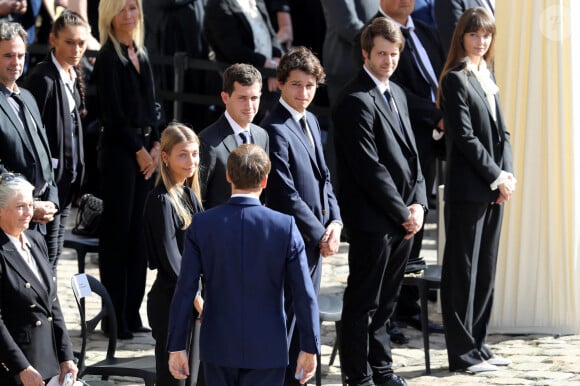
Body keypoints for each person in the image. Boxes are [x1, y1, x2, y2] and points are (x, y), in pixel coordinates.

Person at [167, 144, 320, 386]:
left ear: (228, 176)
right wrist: (309, 347)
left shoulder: (202, 224)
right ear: (266, 181)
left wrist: (177, 346)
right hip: (268, 346)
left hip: (218, 345)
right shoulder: (286, 227)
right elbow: (304, 293)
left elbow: (185, 289)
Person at [332, 17, 427, 386]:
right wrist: (402, 212)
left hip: (404, 221)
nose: (388, 61)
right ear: (366, 53)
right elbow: (369, 168)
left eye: (394, 53)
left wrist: (418, 204)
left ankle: (382, 371)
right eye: (382, 54)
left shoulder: (398, 93)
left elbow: (413, 157)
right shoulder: (355, 100)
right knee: (363, 304)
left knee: (387, 304)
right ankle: (358, 378)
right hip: (375, 222)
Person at [437, 7, 515, 373]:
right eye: (473, 34)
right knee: (462, 272)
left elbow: (503, 134)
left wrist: (508, 174)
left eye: (486, 35)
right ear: (461, 37)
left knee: (485, 270)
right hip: (469, 190)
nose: (480, 41)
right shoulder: (455, 79)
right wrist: (494, 175)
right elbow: (464, 138)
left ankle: (479, 345)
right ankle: (461, 353)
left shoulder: (487, 74)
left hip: (493, 188)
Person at [259, 45, 342, 385]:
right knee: (290, 319)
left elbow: (325, 178)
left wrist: (335, 222)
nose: (303, 93)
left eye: (309, 86)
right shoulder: (275, 127)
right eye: (296, 84)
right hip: (292, 240)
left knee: (305, 320)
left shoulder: (311, 120)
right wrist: (319, 232)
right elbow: (285, 192)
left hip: (317, 238)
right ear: (280, 84)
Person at [374, 0, 445, 337]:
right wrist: (437, 115)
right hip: (400, 146)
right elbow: (396, 91)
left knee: (417, 230)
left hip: (428, 146)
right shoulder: (376, 34)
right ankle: (386, 312)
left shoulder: (425, 32)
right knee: (395, 232)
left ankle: (408, 305)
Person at [92, 0, 161, 340]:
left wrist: (157, 146)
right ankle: (113, 316)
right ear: (110, 16)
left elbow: (153, 106)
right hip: (121, 155)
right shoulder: (108, 58)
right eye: (123, 10)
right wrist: (139, 151)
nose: (130, 16)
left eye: (133, 9)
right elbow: (113, 115)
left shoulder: (142, 54)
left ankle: (132, 314)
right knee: (117, 236)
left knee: (138, 236)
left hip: (147, 153)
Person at [24, 9, 90, 271]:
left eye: (81, 43)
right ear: (53, 39)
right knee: (45, 257)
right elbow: (30, 133)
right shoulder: (43, 78)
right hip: (47, 185)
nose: (76, 49)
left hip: (66, 182)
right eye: (69, 42)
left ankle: (49, 309)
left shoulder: (72, 76)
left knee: (55, 254)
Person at [0, 173, 78, 386]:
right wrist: (21, 368)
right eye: (19, 207)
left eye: (30, 205)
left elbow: (52, 302)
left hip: (48, 360)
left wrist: (66, 355)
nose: (28, 213)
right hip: (15, 368)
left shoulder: (36, 240)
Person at [144, 122, 205, 386]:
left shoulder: (189, 195)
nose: (191, 160)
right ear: (165, 158)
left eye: (194, 153)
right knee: (175, 381)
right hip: (172, 302)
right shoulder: (160, 201)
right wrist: (197, 298)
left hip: (192, 300)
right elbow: (171, 261)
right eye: (183, 154)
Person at [0, 21, 58, 254]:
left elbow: (43, 155)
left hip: (43, 218)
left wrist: (52, 200)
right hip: (10, 221)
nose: (16, 62)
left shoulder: (27, 97)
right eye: (8, 55)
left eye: (21, 55)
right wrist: (28, 206)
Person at [198, 63, 269, 209]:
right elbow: (197, 200)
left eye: (254, 98)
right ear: (225, 97)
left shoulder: (262, 136)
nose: (249, 105)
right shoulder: (208, 142)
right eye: (242, 98)